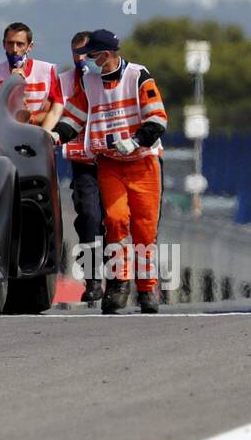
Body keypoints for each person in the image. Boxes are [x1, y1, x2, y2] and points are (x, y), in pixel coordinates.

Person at [55, 29, 168, 315]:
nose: (87, 60)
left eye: (91, 55)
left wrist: (136, 140)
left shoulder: (138, 76)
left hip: (143, 164)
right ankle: (118, 285)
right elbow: (74, 117)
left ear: (105, 55)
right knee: (116, 222)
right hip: (110, 165)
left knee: (145, 229)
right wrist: (56, 136)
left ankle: (147, 289)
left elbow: (157, 118)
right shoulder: (89, 83)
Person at [58, 32, 106, 304]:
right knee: (89, 217)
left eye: (89, 52)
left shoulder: (110, 80)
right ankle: (92, 279)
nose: (84, 58)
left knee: (115, 220)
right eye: (79, 52)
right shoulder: (63, 83)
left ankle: (118, 280)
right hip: (83, 163)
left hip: (113, 162)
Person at [0, 22, 64, 130]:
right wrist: (12, 83)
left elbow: (51, 112)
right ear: (4, 44)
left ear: (30, 47)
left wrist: (30, 119)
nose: (15, 50)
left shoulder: (47, 71)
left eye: (20, 44)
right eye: (10, 43)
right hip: (6, 137)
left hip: (38, 135)